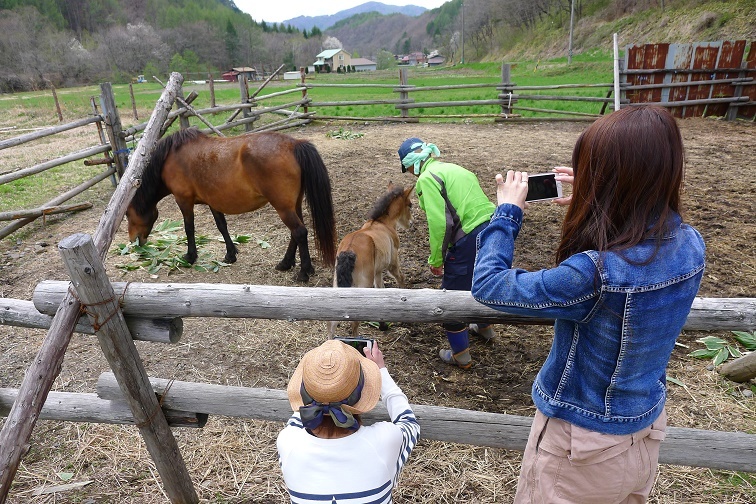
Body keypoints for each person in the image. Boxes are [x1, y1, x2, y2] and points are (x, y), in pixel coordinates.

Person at [471, 105, 706, 503]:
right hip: (644, 437)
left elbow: (490, 283)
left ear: (611, 180)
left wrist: (507, 212)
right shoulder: (691, 246)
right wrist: (597, 196)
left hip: (580, 452)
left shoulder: (594, 274)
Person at [277, 339, 420, 503]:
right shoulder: (383, 440)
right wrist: (381, 371)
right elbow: (409, 423)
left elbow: (298, 417)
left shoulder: (288, 442)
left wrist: (320, 386)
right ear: (363, 392)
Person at [398, 137, 497, 369]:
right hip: (494, 229)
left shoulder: (427, 179)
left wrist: (437, 259)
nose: (411, 174)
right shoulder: (455, 168)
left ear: (412, 164)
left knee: (451, 296)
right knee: (480, 281)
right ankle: (485, 330)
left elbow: (441, 223)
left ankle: (461, 356)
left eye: (408, 169)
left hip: (468, 236)